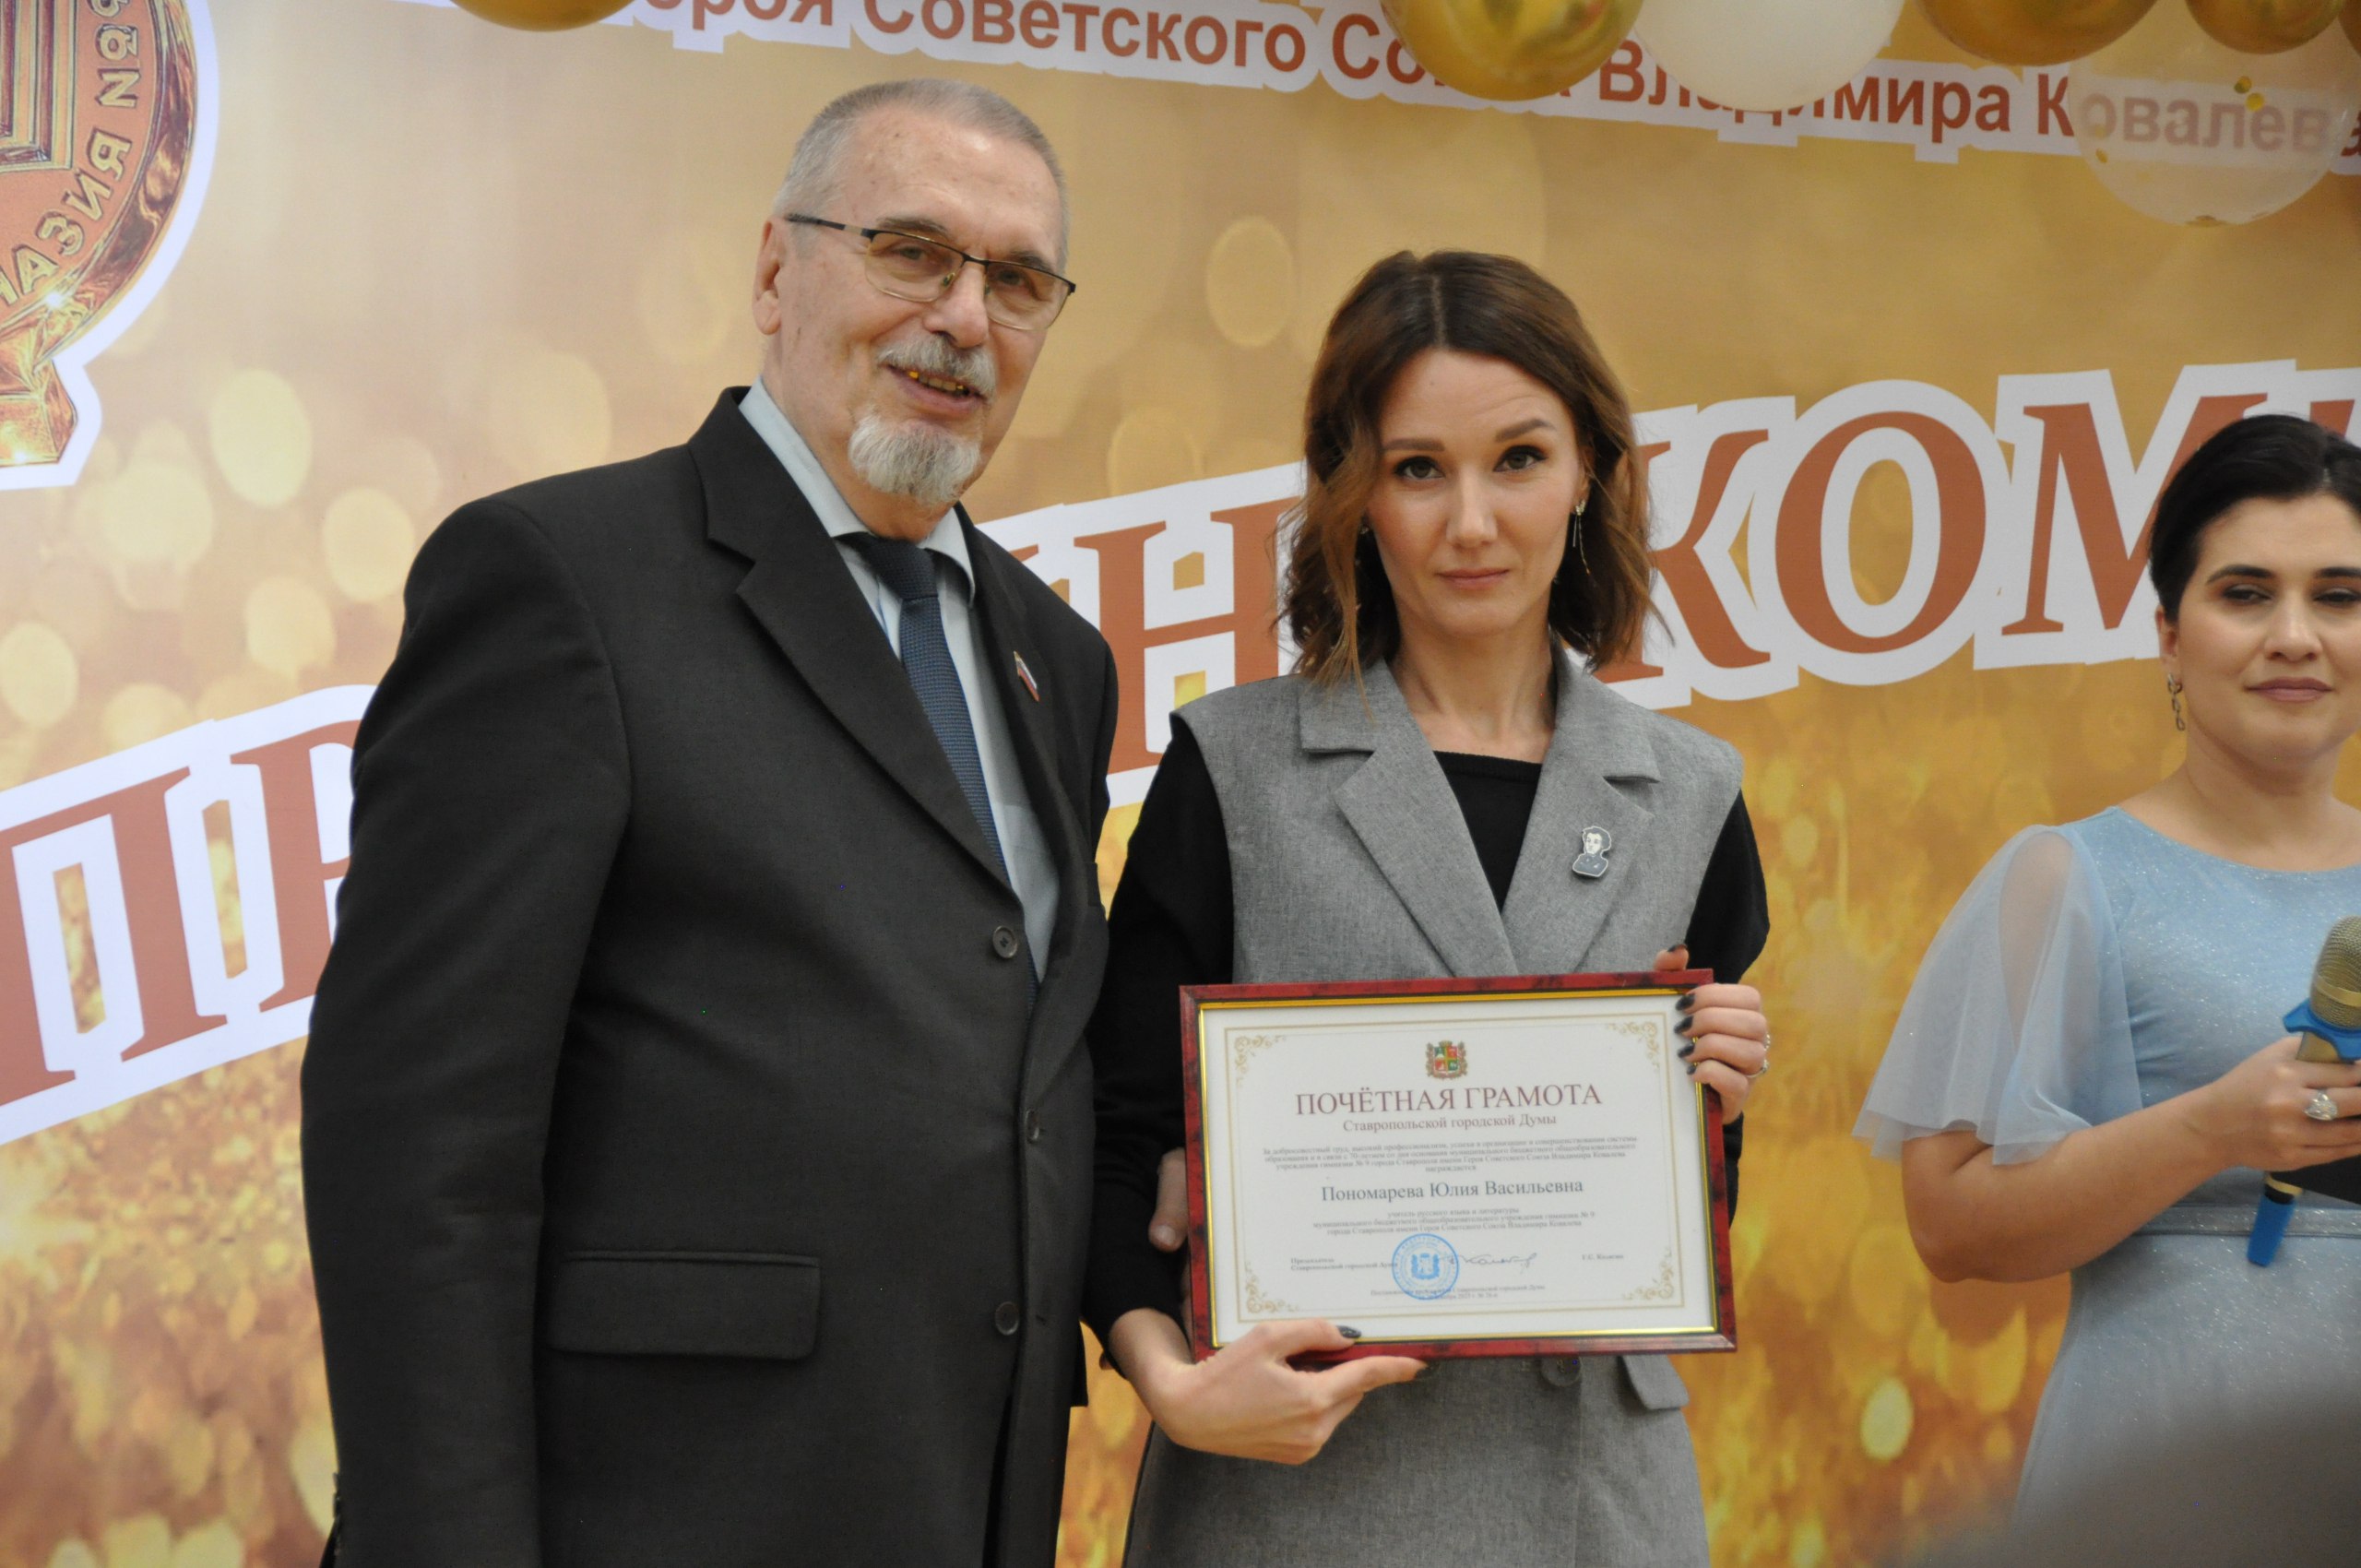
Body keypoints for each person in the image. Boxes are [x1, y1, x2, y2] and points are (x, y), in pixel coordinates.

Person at [301, 79, 1121, 1568]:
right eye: (912, 252)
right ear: (774, 271)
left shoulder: (1058, 663)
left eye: (1017, 282)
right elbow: (418, 1144)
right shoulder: (559, 581)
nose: (963, 319)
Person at [1083, 250, 1774, 1567]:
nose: (1471, 522)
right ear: (1352, 493)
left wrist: (1708, 1105)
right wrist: (1171, 1382)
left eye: (1518, 459)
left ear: (1588, 473)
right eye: (1417, 469)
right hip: (1290, 1496)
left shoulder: (1691, 792)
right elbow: (1116, 1145)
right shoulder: (1233, 771)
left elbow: (1675, 1222)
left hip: (1596, 1508)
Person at [1855, 414, 2361, 1521]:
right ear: (2169, 636)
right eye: (2244, 593)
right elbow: (1949, 1224)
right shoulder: (2066, 877)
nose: (2293, 635)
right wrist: (2213, 1127)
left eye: (2337, 596)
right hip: (2170, 1468)